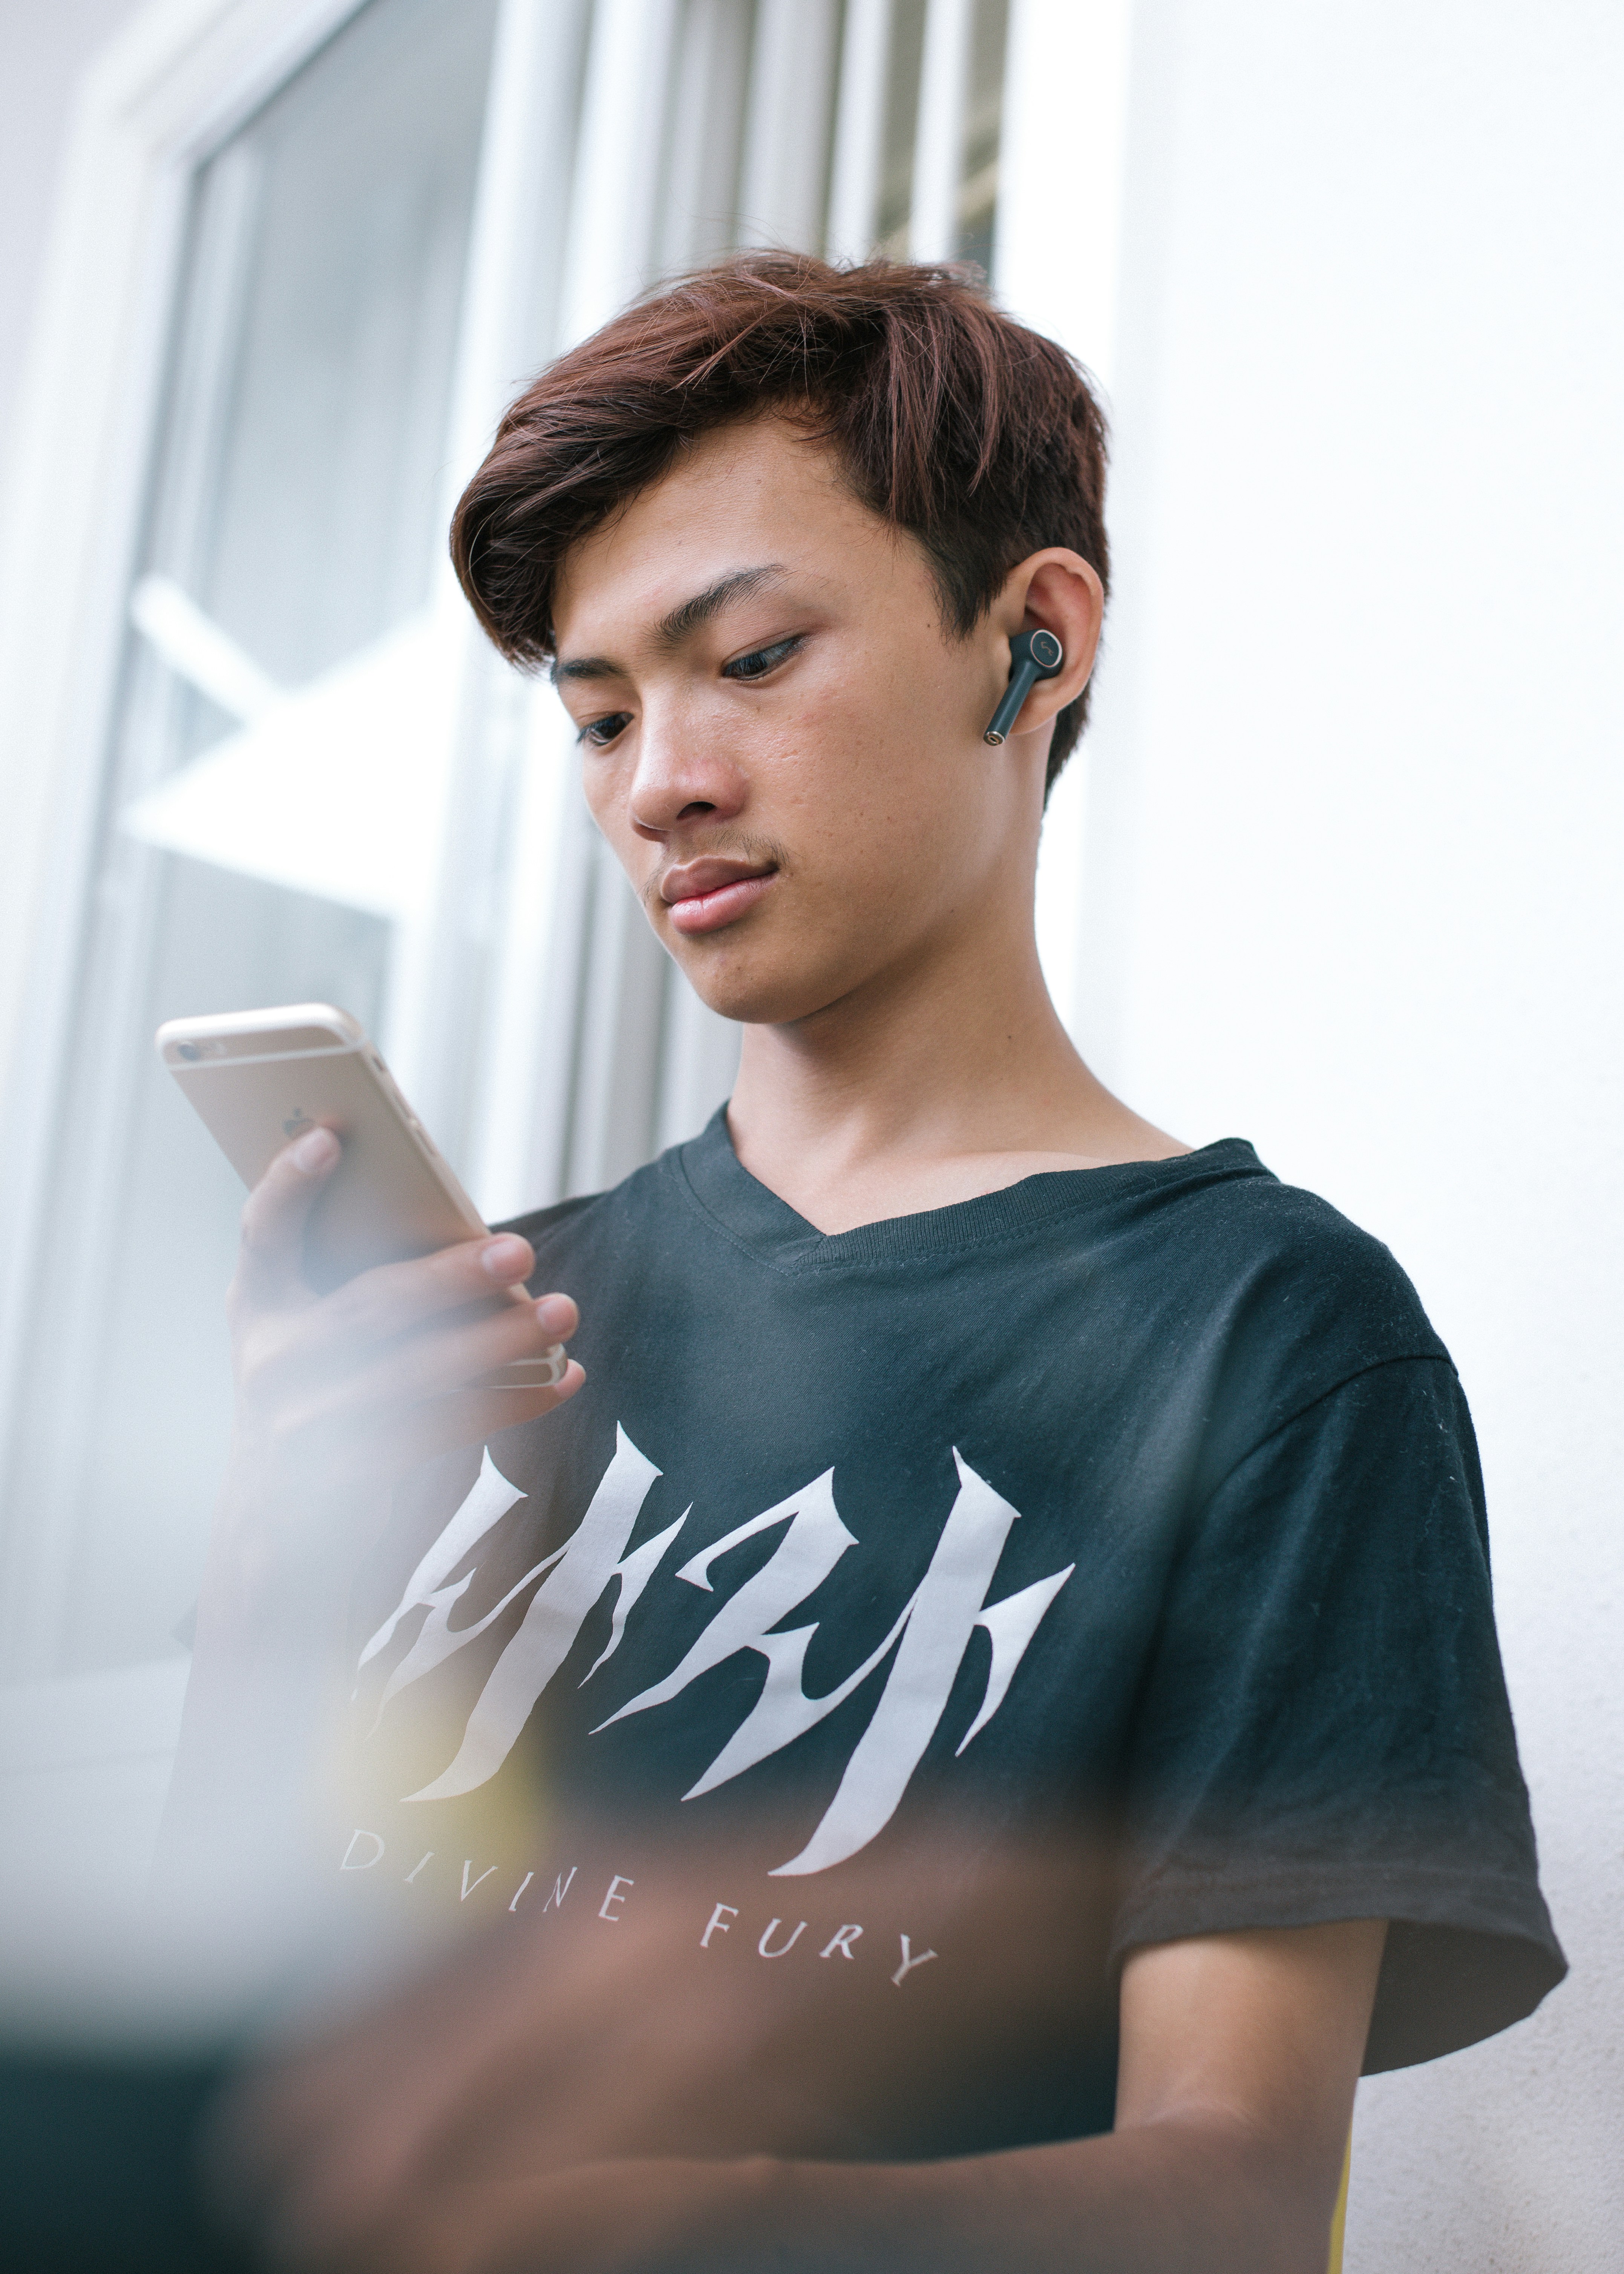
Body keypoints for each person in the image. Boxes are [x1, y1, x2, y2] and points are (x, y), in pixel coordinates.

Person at [170, 256, 1563, 2273]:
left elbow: (1235, 2201)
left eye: (749, 659)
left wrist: (644, 2233)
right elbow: (232, 2002)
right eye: (599, 715)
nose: (659, 782)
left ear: (1033, 640)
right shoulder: (500, 1316)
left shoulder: (1269, 1342)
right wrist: (271, 1523)